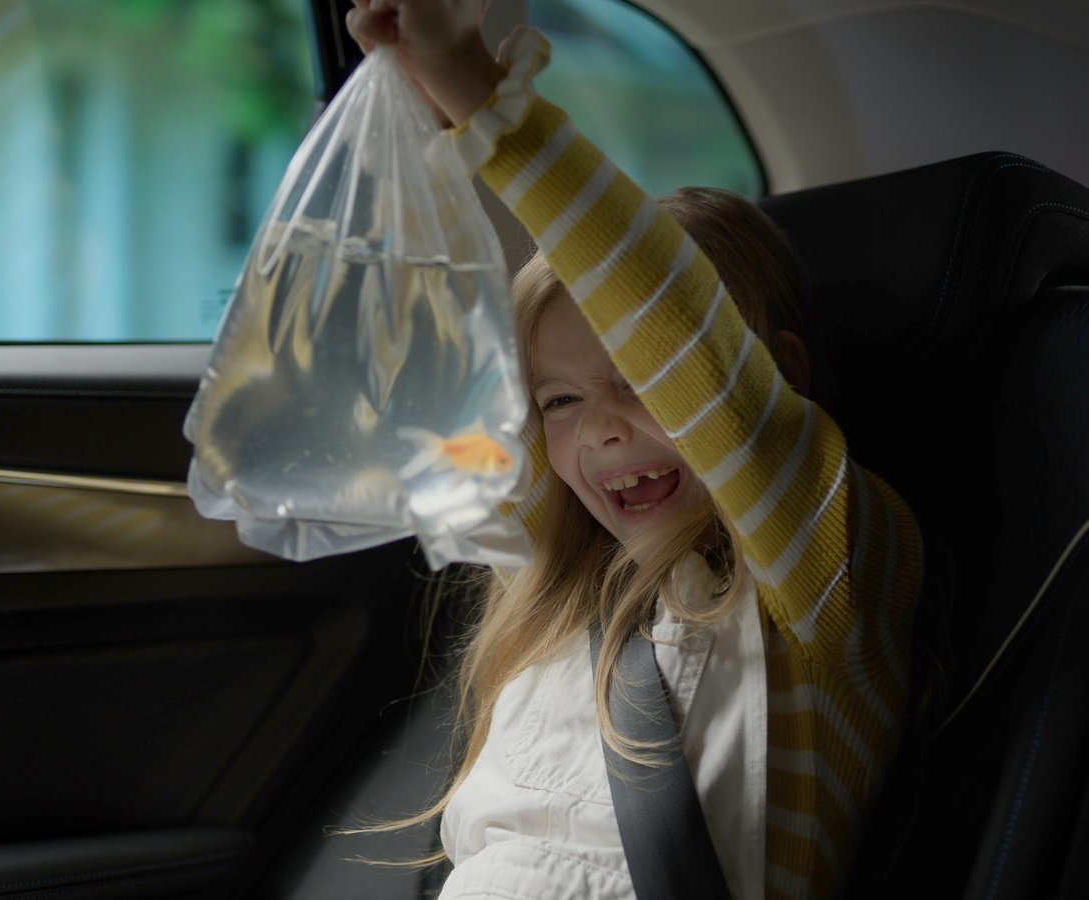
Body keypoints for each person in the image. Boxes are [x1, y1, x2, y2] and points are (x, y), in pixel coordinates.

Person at [347, 2, 924, 898]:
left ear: (776, 379)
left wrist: (476, 91)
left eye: (645, 383)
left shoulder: (818, 583)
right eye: (563, 401)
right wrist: (414, 147)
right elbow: (448, 370)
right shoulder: (548, 585)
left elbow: (668, 316)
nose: (604, 429)